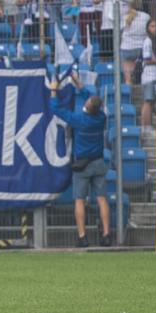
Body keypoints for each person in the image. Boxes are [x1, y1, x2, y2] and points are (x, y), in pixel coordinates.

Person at [49, 79, 111, 248]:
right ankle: (106, 235)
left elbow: (56, 109)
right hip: (98, 163)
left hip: (82, 166)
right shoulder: (101, 118)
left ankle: (82, 237)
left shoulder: (78, 119)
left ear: (87, 106)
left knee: (79, 200)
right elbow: (94, 99)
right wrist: (80, 86)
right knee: (102, 199)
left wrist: (53, 91)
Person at [119, 0, 150, 85]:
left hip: (126, 48)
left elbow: (120, 31)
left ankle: (129, 96)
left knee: (128, 79)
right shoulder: (146, 16)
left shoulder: (125, 17)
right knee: (140, 75)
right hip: (141, 49)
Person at [140, 19, 156, 138]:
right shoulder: (148, 41)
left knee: (152, 101)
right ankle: (146, 127)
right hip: (149, 76)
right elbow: (147, 60)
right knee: (148, 102)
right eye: (152, 26)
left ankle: (147, 126)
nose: (155, 28)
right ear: (148, 28)